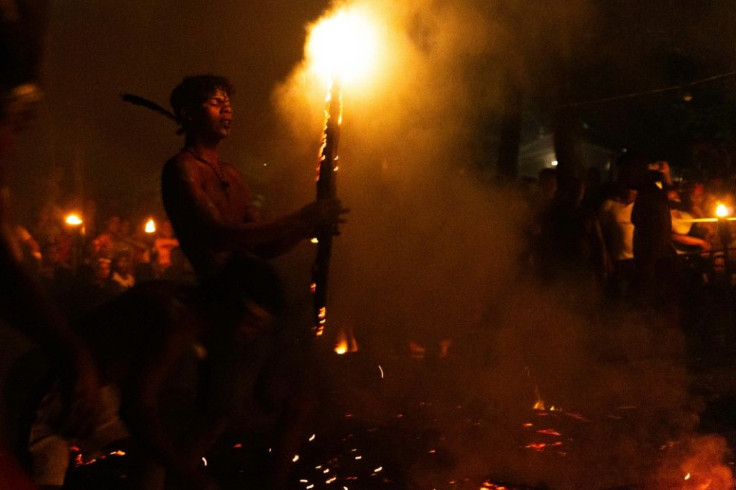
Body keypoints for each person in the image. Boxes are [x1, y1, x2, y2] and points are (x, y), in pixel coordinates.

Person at [159, 75, 347, 488]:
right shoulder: (181, 171)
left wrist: (306, 229)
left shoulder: (233, 175)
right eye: (214, 102)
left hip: (263, 299)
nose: (227, 109)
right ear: (189, 114)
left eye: (228, 101)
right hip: (225, 306)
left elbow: (262, 246)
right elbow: (217, 235)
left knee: (300, 401)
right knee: (217, 415)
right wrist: (299, 219)